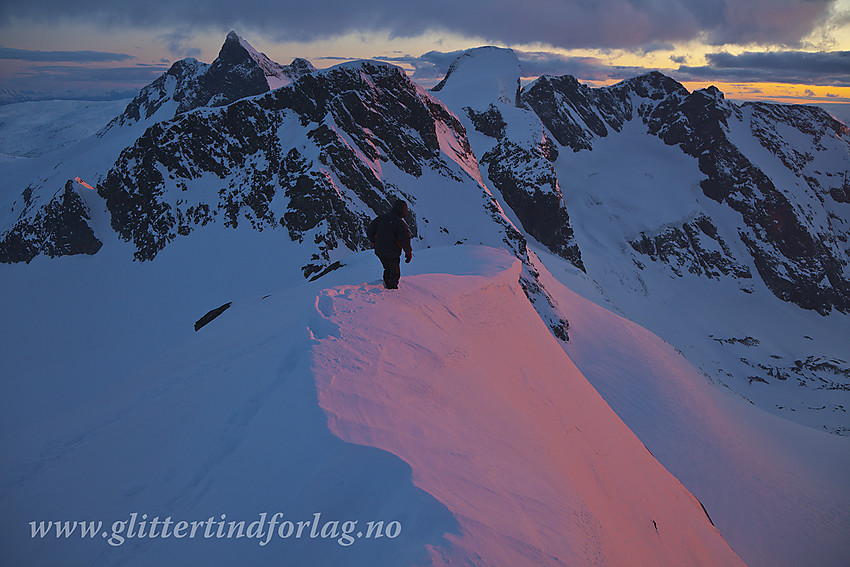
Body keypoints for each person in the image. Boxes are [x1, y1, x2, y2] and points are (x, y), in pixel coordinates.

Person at [366, 199, 413, 289]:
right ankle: (391, 293)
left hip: (380, 250)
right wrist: (408, 253)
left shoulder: (381, 218)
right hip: (392, 253)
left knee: (387, 269)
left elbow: (370, 230)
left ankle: (386, 286)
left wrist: (374, 241)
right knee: (395, 273)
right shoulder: (400, 224)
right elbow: (405, 240)